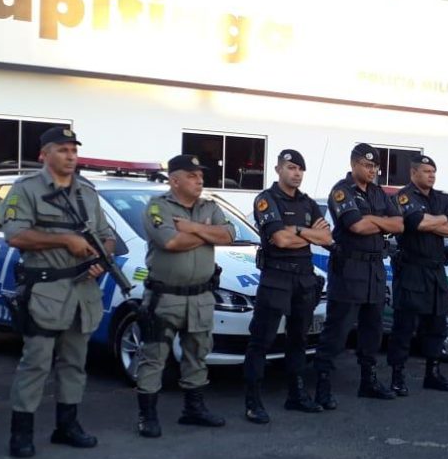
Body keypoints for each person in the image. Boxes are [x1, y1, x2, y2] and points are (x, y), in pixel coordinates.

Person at [3, 126, 114, 458]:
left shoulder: (87, 192)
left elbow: (107, 236)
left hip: (82, 291)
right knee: (36, 363)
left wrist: (100, 260)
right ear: (44, 154)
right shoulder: (26, 189)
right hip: (46, 291)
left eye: (74, 150)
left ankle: (67, 426)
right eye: (63, 150)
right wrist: (65, 240)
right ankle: (21, 433)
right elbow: (15, 235)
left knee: (74, 363)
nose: (70, 156)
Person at [135, 154, 236, 437]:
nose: (199, 180)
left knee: (197, 354)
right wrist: (209, 233)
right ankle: (147, 415)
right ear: (175, 180)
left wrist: (193, 228)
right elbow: (171, 241)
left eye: (200, 175)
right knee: (154, 357)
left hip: (201, 296)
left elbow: (229, 235)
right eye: (192, 176)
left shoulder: (209, 206)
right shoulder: (158, 207)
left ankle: (194, 410)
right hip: (165, 297)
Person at [242, 149, 332, 424]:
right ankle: (253, 402)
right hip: (276, 278)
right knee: (262, 340)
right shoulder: (266, 200)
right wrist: (309, 234)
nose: (297, 173)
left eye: (300, 169)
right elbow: (280, 240)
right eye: (291, 168)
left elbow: (326, 238)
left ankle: (296, 395)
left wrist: (297, 231)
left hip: (304, 278)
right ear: (278, 169)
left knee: (298, 339)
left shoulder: (307, 203)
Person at [315, 144, 403, 401]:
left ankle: (368, 381)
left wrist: (371, 220)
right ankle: (323, 384)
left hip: (374, 270)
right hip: (349, 270)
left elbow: (399, 224)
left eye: (375, 166)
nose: (372, 170)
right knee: (337, 330)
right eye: (367, 165)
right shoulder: (342, 191)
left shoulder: (378, 192)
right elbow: (356, 227)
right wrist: (381, 221)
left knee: (372, 330)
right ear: (354, 164)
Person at [386, 155, 448, 395]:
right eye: (427, 171)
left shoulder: (443, 198)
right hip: (411, 270)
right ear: (413, 173)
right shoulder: (403, 197)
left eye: (433, 171)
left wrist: (432, 222)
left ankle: (433, 373)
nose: (431, 175)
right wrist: (441, 220)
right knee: (404, 327)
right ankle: (397, 375)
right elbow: (416, 223)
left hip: (435, 271)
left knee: (436, 325)